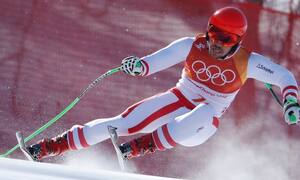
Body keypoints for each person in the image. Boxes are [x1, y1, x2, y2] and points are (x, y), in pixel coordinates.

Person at [25, 7, 299, 161]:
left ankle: (141, 146)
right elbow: (152, 63)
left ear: (238, 41)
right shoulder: (191, 45)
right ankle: (48, 147)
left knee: (205, 111)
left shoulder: (248, 62)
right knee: (118, 123)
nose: (216, 43)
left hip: (201, 124)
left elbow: (284, 77)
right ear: (208, 30)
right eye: (214, 34)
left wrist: (291, 102)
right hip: (178, 100)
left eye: (226, 40)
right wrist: (137, 66)